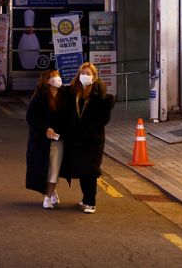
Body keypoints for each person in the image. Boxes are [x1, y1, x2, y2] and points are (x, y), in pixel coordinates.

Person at [68, 61, 115, 214]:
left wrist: (89, 130)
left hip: (93, 139)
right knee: (82, 169)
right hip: (78, 139)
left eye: (88, 74)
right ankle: (85, 197)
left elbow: (104, 119)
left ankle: (91, 201)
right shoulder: (74, 93)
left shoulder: (101, 96)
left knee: (91, 170)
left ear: (94, 77)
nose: (85, 76)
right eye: (83, 73)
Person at [25, 69, 71, 209]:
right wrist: (46, 128)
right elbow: (31, 117)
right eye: (54, 76)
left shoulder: (65, 95)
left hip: (59, 139)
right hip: (41, 140)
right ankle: (50, 191)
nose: (57, 79)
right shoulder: (40, 96)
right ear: (47, 81)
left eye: (58, 76)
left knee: (54, 168)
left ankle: (48, 196)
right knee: (44, 167)